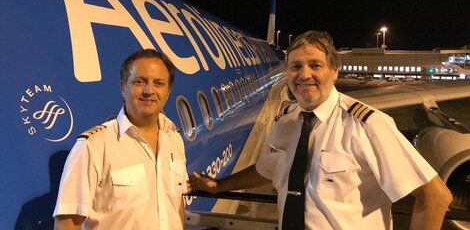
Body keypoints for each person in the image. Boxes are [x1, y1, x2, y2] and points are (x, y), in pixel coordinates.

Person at [189, 30, 452, 230]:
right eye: (295, 66)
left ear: (334, 71)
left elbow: (435, 196)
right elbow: (266, 169)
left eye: (315, 65)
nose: (304, 75)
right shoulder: (287, 122)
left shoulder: (367, 125)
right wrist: (218, 185)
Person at [53, 49, 188, 230]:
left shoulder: (174, 138)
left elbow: (176, 205)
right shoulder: (93, 146)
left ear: (168, 91)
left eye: (159, 83)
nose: (149, 90)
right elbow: (67, 224)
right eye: (139, 82)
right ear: (123, 87)